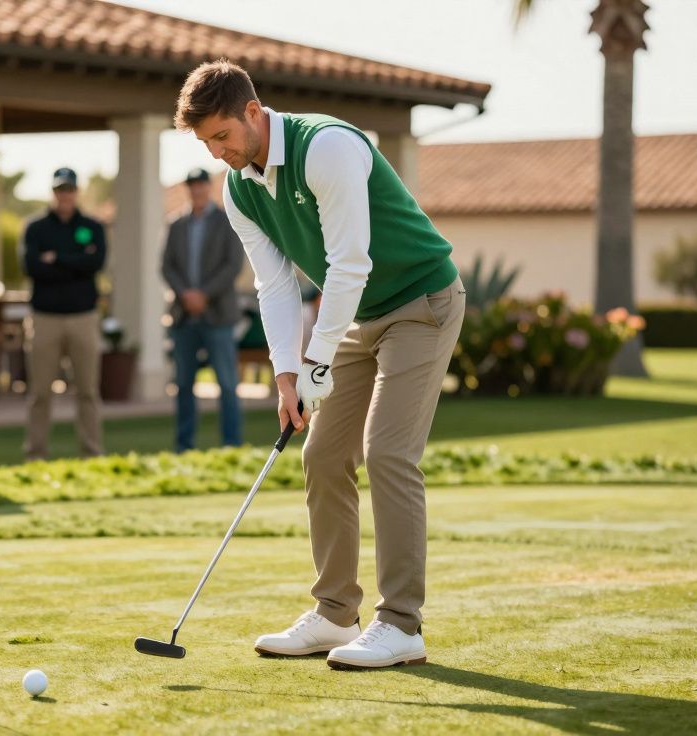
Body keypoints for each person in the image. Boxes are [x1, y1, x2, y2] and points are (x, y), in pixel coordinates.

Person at [175, 60, 466, 669]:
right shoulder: (239, 188)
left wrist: (316, 364)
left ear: (253, 113)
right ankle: (335, 614)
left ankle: (401, 624)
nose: (219, 152)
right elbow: (275, 285)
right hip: (359, 315)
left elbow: (349, 263)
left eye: (223, 136)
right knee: (323, 454)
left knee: (387, 451)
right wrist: (289, 376)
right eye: (207, 144)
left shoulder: (326, 147)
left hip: (422, 301)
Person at [21, 167, 106, 461]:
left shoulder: (91, 226)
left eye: (69, 190)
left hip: (83, 316)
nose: (64, 195)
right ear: (53, 192)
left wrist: (56, 258)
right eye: (60, 190)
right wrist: (75, 262)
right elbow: (32, 267)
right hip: (45, 318)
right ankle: (36, 454)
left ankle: (91, 453)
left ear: (76, 192)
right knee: (40, 392)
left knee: (87, 391)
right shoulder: (36, 227)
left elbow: (95, 262)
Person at [161, 167, 245, 452]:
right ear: (188, 189)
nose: (196, 190)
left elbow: (232, 265)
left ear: (208, 187)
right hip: (183, 316)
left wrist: (203, 294)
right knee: (183, 385)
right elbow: (167, 266)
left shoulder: (226, 222)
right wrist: (186, 295)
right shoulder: (176, 224)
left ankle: (231, 445)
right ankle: (184, 446)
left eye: (200, 185)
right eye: (192, 186)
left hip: (218, 315)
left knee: (227, 383)